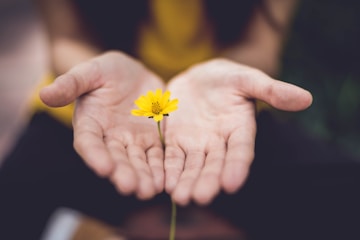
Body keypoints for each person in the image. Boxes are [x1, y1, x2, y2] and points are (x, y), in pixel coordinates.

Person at [0, 0, 359, 239]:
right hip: (96, 114)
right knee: (13, 207)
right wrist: (90, 74)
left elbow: (259, 47)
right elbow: (66, 38)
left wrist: (229, 72)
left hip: (220, 117)